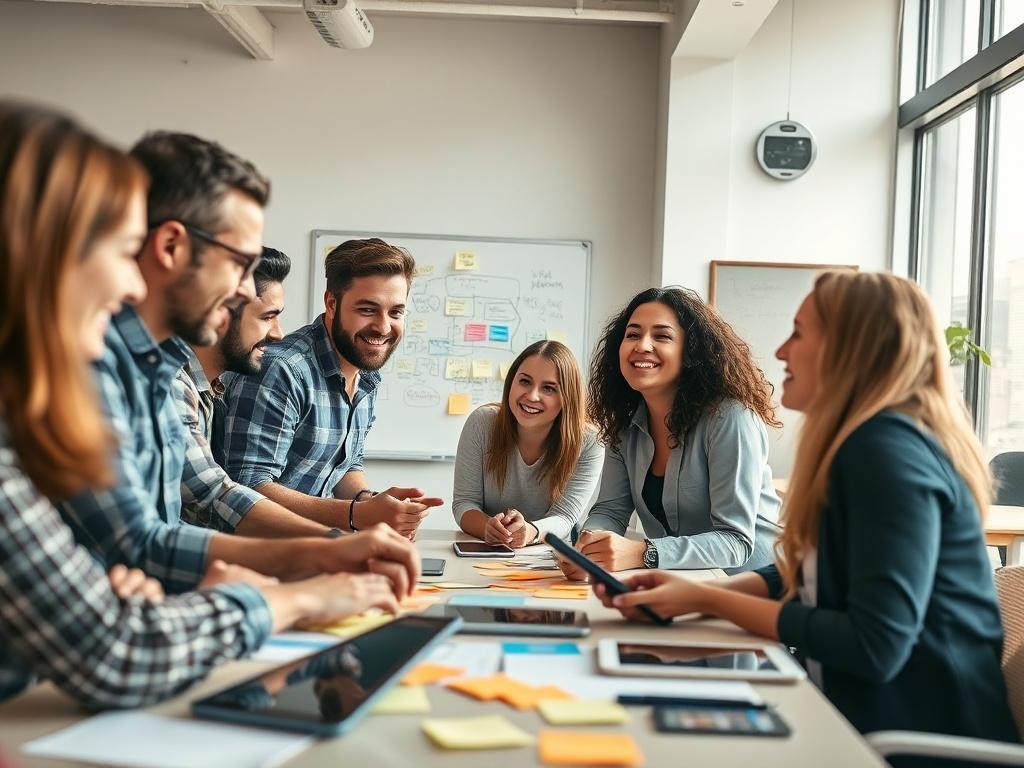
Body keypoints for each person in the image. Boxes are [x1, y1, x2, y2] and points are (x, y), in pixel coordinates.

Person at [0, 102, 416, 707]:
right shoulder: (78, 380)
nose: (130, 284)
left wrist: (315, 554)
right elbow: (116, 647)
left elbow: (143, 548)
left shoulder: (157, 369)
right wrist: (293, 593)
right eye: (119, 251)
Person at [596, 272, 1017, 758]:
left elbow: (874, 645)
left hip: (914, 743)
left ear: (850, 348)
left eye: (798, 332)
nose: (780, 352)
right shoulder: (868, 444)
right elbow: (813, 568)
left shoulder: (887, 455)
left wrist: (713, 603)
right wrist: (701, 594)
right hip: (859, 719)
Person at [56, 129, 420, 593]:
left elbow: (198, 504)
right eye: (238, 264)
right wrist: (324, 553)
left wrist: (334, 544)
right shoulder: (93, 367)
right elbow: (143, 547)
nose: (246, 291)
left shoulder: (162, 368)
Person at [218, 238, 442, 539]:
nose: (384, 327)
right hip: (255, 558)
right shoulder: (282, 369)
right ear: (332, 303)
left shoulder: (366, 375)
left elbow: (345, 465)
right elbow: (247, 484)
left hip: (314, 551)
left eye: (396, 312)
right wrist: (357, 515)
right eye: (367, 309)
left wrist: (371, 504)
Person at [557, 287, 781, 578]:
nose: (642, 346)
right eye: (633, 335)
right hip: (680, 586)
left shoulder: (729, 419)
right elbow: (611, 511)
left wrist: (643, 552)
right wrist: (588, 548)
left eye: (661, 336)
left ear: (690, 353)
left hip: (751, 592)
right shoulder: (623, 426)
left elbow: (735, 542)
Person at [172, 246, 311, 534]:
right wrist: (330, 539)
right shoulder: (173, 384)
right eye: (267, 317)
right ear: (219, 315)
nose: (278, 333)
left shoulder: (210, 391)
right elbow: (213, 494)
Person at [452, 340, 603, 547]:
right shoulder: (482, 422)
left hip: (549, 556)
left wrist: (531, 531)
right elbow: (464, 503)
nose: (532, 396)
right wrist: (487, 527)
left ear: (567, 398)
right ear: (511, 383)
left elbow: (566, 517)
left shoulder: (589, 441)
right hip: (487, 550)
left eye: (549, 388)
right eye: (525, 381)